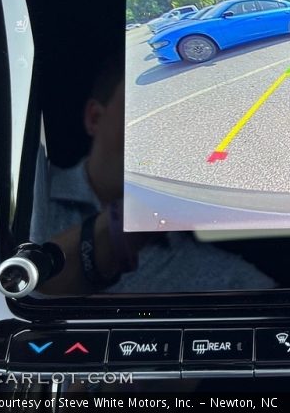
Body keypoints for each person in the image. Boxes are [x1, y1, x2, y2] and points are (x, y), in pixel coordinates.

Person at [31, 57, 275, 294]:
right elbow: (10, 287)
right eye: (146, 111)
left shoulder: (236, 283)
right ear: (94, 118)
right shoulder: (22, 204)